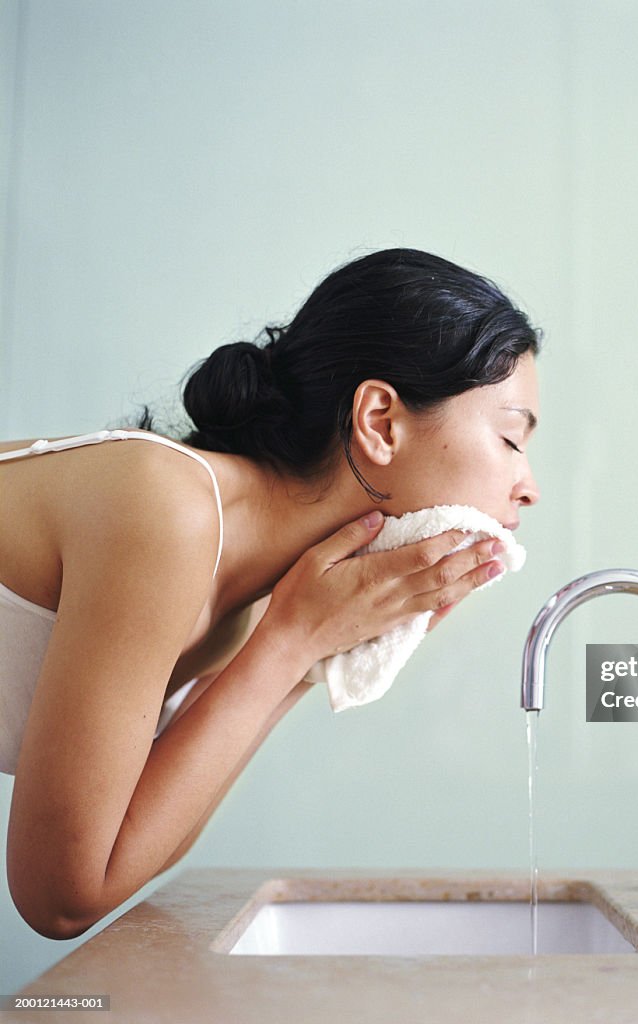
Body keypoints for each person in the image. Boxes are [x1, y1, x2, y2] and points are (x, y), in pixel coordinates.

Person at [0, 248, 540, 939]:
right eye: (510, 438)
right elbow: (60, 896)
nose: (529, 486)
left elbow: (124, 854)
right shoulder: (165, 507)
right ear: (379, 421)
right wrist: (291, 646)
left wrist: (315, 650)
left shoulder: (255, 596)